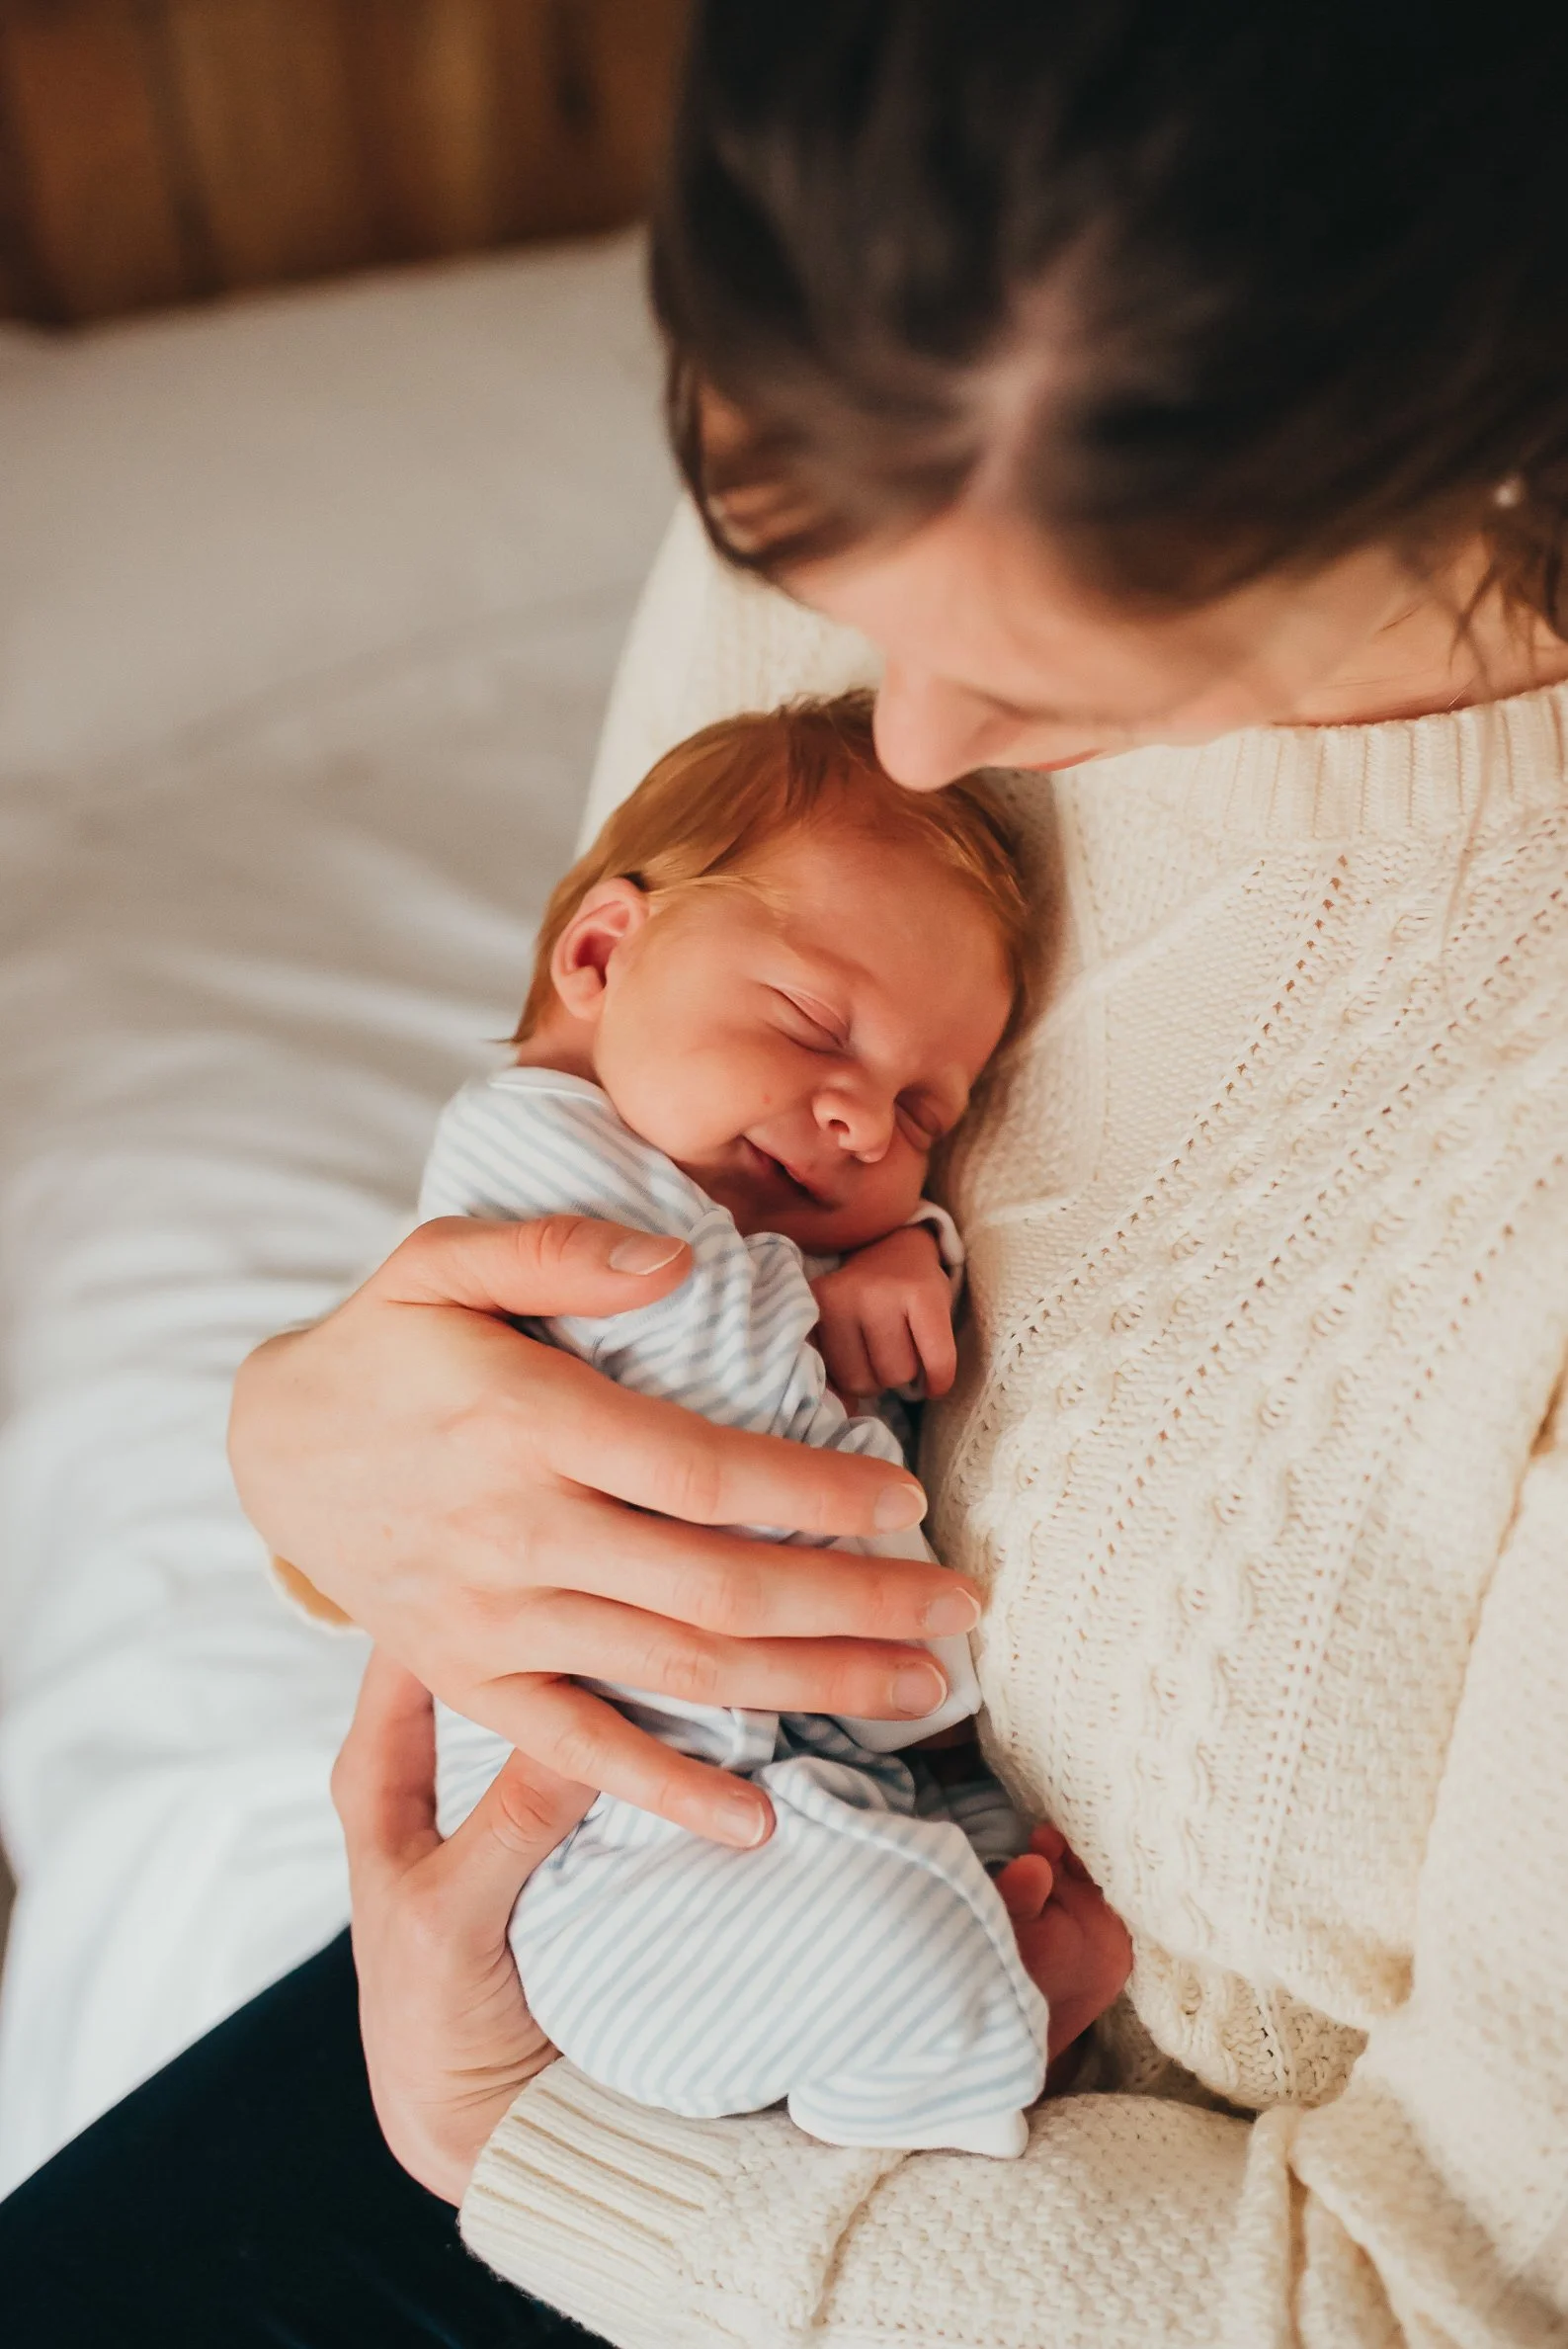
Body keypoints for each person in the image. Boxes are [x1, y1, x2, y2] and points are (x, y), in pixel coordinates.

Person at [6, 0, 1568, 2341]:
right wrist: (312, 1447)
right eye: (791, 540)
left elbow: (1436, 2290)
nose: (906, 733)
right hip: (625, 1962)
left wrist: (522, 2135)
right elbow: (596, 1129)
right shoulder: (919, 353)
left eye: (1057, 670)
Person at [414, 696, 1129, 2156]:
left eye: (924, 1112)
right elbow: (752, 1427)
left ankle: (947, 2052)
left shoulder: (727, 1223)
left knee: (967, 1889)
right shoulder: (537, 1156)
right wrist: (860, 1329)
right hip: (615, 1866)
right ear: (602, 954)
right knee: (899, 1943)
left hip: (767, 1801)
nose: (861, 1122)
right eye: (811, 1023)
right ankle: (962, 2076)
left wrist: (902, 1251)